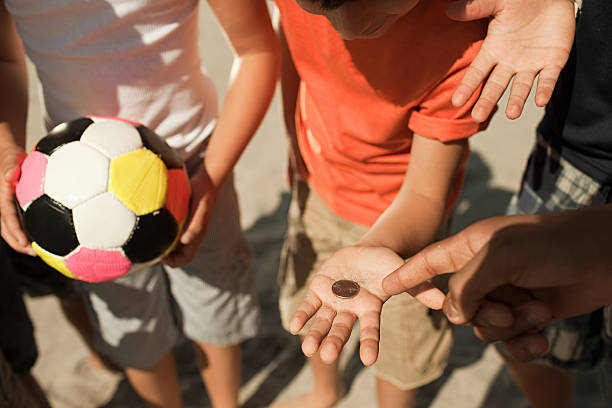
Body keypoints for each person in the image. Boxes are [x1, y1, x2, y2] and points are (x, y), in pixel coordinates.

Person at [0, 1, 280, 407]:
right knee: (133, 332)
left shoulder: (204, 173)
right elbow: (6, 58)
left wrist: (212, 179)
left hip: (198, 164)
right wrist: (6, 146)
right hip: (67, 194)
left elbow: (257, 50)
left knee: (216, 301)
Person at [273, 0, 489, 406]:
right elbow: (291, 46)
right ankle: (326, 390)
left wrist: (375, 246)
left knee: (400, 349)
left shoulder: (463, 42)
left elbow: (426, 195)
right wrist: (291, 132)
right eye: (323, 9)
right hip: (317, 185)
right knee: (314, 310)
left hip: (401, 225)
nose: (349, 27)